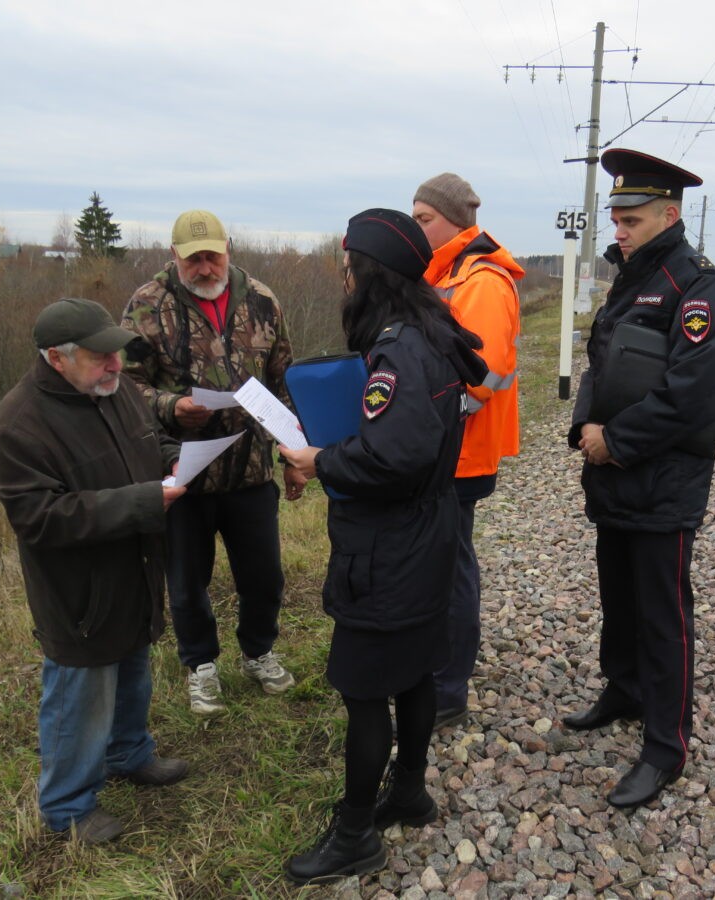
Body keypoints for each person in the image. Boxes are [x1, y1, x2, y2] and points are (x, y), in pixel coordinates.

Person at [279, 209, 487, 885]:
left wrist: (319, 460)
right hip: (429, 533)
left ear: (367, 276)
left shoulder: (398, 351)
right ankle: (411, 790)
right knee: (417, 671)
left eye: (346, 271)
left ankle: (355, 832)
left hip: (388, 548)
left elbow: (391, 455)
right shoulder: (434, 331)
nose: (342, 283)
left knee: (365, 690)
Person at [564, 148, 715, 808]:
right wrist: (584, 427)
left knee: (663, 615)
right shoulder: (630, 280)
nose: (618, 229)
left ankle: (667, 745)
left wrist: (613, 441)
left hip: (662, 483)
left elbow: (691, 395)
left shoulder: (699, 291)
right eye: (615, 218)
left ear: (669, 215)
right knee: (618, 595)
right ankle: (624, 689)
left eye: (631, 219)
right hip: (612, 478)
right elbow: (600, 363)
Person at [0, 298, 190, 844]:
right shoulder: (20, 423)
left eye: (116, 354)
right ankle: (67, 806)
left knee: (134, 666)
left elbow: (150, 441)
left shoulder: (116, 391)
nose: (116, 366)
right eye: (100, 357)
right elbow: (39, 518)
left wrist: (172, 459)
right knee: (82, 687)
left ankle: (129, 753)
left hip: (135, 566)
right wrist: (144, 501)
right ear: (57, 358)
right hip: (78, 591)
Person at [121, 210, 304, 716]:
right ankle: (201, 666)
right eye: (193, 258)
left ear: (228, 249)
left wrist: (293, 455)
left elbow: (285, 380)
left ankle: (258, 652)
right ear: (174, 256)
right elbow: (126, 384)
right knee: (186, 581)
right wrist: (170, 407)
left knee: (264, 575)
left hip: (250, 470)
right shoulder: (146, 305)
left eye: (212, 256)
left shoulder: (263, 300)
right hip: (183, 473)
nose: (205, 268)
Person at [412, 173, 525, 730]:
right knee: (443, 562)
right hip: (449, 448)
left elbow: (481, 376)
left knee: (451, 566)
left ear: (456, 221)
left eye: (424, 219)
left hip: (462, 451)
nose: (418, 228)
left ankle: (448, 687)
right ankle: (439, 671)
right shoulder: (450, 273)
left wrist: (418, 414)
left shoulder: (481, 280)